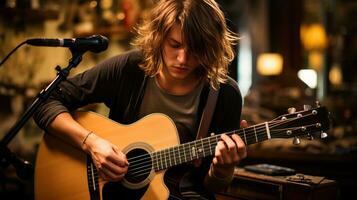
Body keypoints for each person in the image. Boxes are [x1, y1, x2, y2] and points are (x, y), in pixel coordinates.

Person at [33, 0, 247, 199]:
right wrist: (91, 143)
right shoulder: (129, 69)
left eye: (196, 49)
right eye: (175, 45)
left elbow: (209, 189)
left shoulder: (224, 94)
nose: (183, 59)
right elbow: (45, 102)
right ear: (159, 38)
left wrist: (222, 169)